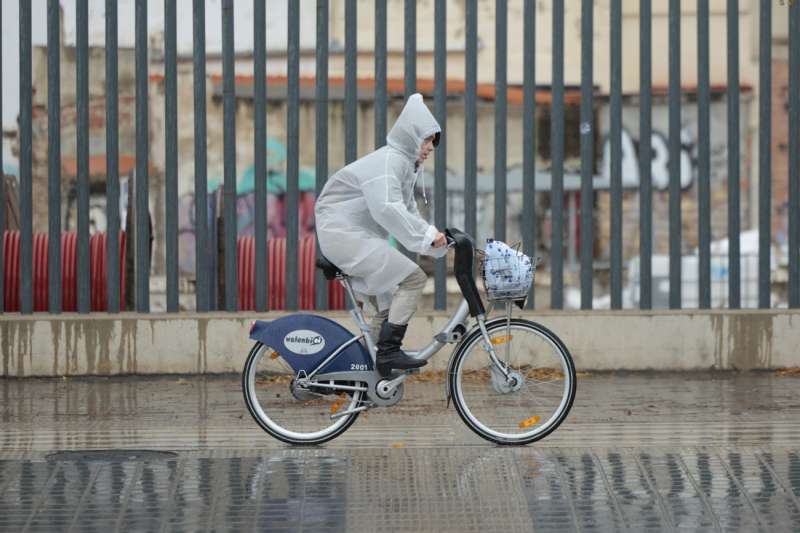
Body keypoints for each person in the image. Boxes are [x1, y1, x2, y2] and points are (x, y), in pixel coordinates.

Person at [315, 93, 448, 376]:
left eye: (433, 142)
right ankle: (387, 354)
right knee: (414, 279)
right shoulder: (389, 162)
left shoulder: (402, 166)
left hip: (354, 235)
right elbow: (387, 208)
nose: (430, 147)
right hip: (343, 234)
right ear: (411, 136)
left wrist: (436, 238)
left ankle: (365, 376)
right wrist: (427, 236)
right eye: (427, 140)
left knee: (387, 307)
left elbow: (408, 211)